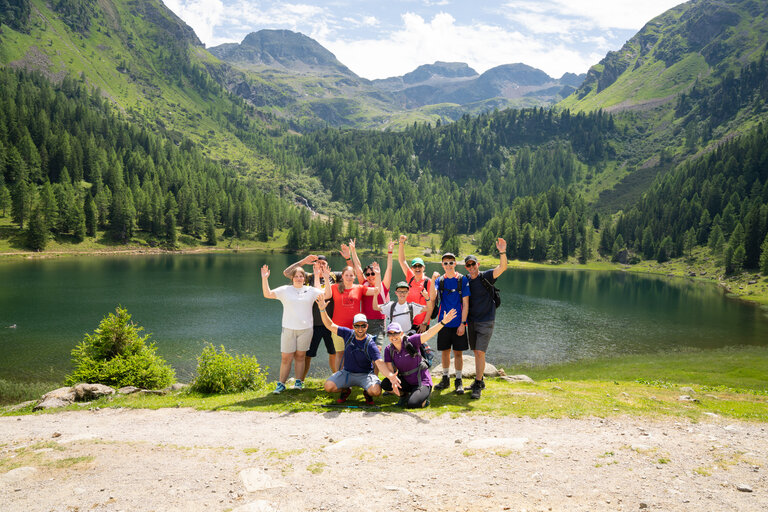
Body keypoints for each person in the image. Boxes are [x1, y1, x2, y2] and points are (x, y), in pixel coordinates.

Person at [316, 296, 399, 405]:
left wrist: (390, 376)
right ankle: (346, 390)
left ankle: (367, 392)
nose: (360, 329)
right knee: (328, 387)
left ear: (367, 326)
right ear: (353, 326)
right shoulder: (347, 333)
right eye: (357, 326)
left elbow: (379, 363)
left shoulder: (370, 343)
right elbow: (329, 325)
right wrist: (322, 309)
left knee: (376, 391)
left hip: (365, 375)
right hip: (347, 373)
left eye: (363, 326)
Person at [261, 264, 323, 394]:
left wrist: (318, 276)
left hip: (306, 329)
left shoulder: (310, 290)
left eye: (301, 276)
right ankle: (281, 384)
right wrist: (265, 278)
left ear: (304, 278)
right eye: (296, 276)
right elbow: (267, 294)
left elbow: (324, 294)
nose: (299, 278)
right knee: (286, 357)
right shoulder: (285, 290)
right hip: (288, 328)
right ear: (292, 278)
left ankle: (298, 382)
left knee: (301, 356)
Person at [380, 308, 457, 408]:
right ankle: (404, 396)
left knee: (412, 404)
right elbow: (390, 370)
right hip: (406, 381)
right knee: (386, 383)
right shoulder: (388, 349)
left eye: (396, 333)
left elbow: (428, 333)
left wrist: (443, 322)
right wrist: (393, 380)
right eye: (390, 334)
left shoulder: (412, 341)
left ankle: (424, 399)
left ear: (401, 333)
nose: (393, 336)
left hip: (422, 381)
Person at [283, 253, 343, 377]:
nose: (321, 266)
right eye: (318, 263)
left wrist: (348, 257)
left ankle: (337, 378)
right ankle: (301, 380)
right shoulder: (307, 277)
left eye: (323, 264)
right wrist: (304, 261)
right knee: (307, 355)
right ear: (314, 265)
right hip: (312, 324)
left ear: (327, 265)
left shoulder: (334, 276)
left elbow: (351, 274)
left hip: (330, 323)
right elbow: (287, 273)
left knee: (333, 352)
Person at [464, 238, 508, 399]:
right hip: (472, 321)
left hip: (486, 320)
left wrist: (502, 251)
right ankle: (480, 380)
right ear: (466, 267)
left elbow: (502, 267)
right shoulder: (466, 280)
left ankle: (477, 385)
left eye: (473, 264)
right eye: (468, 265)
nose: (471, 267)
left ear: (478, 264)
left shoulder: (486, 276)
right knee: (476, 352)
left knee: (480, 352)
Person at [430, 252, 470, 394]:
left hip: (458, 323)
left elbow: (465, 304)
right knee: (445, 352)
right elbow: (432, 297)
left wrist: (463, 324)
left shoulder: (462, 280)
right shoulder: (439, 281)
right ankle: (445, 378)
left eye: (451, 262)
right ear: (442, 265)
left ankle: (458, 380)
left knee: (458, 353)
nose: (448, 265)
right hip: (443, 323)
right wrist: (432, 279)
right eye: (445, 263)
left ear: (455, 264)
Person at [323, 265, 380, 357]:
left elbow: (377, 290)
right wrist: (326, 278)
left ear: (354, 276)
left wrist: (377, 275)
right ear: (342, 276)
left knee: (355, 354)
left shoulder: (360, 288)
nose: (349, 277)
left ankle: (354, 371)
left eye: (351, 275)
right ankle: (340, 372)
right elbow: (326, 296)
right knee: (339, 354)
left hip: (356, 328)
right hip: (337, 327)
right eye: (346, 275)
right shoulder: (334, 287)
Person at [397, 235, 434, 333]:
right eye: (415, 266)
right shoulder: (410, 277)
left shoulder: (428, 282)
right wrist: (401, 243)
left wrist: (425, 323)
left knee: (418, 347)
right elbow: (402, 261)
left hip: (421, 324)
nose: (417, 268)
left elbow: (431, 305)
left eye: (419, 266)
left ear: (424, 267)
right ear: (412, 268)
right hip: (408, 321)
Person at [359, 241, 394, 344]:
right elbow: (357, 266)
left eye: (373, 273)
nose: (370, 276)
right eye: (368, 274)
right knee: (365, 350)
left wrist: (390, 252)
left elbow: (390, 269)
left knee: (377, 348)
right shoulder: (364, 285)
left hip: (379, 323)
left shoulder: (384, 286)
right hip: (364, 322)